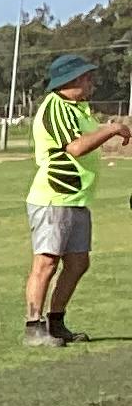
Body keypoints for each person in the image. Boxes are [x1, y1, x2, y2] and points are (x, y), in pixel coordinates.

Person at [25, 53, 132, 349]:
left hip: (76, 197)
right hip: (54, 197)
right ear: (69, 81)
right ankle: (34, 327)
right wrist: (110, 129)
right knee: (46, 262)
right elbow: (75, 148)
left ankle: (56, 323)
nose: (91, 83)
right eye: (86, 78)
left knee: (77, 263)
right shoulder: (56, 107)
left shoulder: (79, 108)